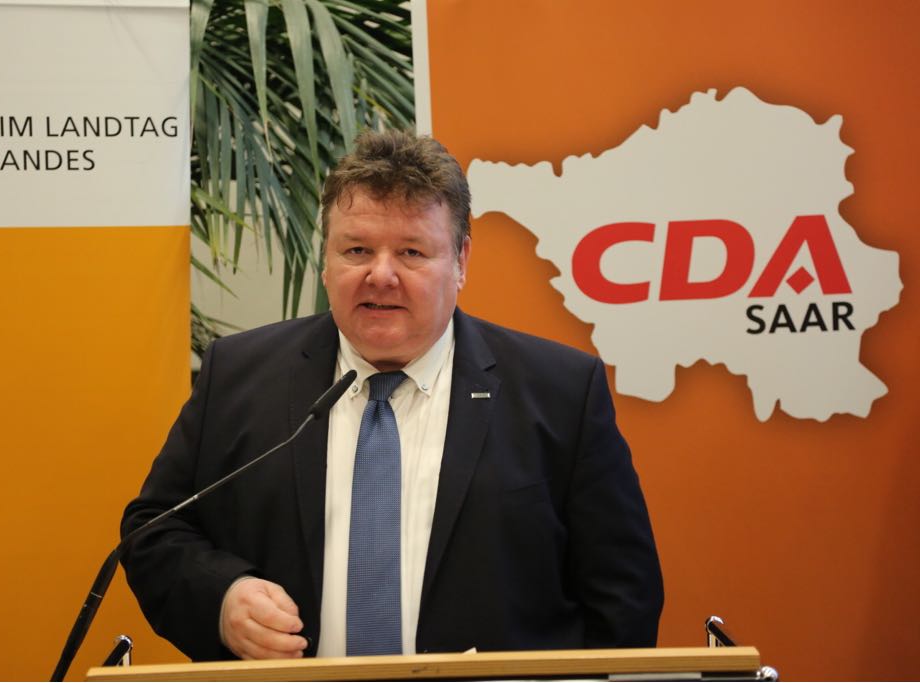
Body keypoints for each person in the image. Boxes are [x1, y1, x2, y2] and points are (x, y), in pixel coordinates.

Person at [120, 130, 663, 662]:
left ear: (461, 261)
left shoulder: (561, 392)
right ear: (326, 260)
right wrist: (221, 598)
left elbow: (623, 596)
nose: (381, 275)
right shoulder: (238, 375)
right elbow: (154, 528)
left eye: (411, 252)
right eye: (357, 249)